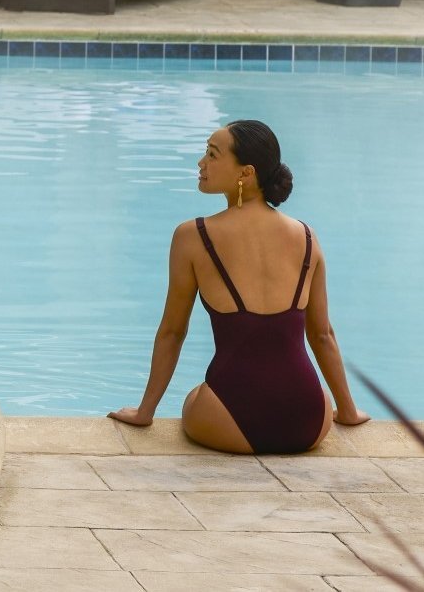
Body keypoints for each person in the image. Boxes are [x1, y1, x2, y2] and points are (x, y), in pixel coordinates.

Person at [109, 119, 369, 453]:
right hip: (308, 420)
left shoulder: (192, 236)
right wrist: (346, 411)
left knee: (194, 398)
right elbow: (322, 335)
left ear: (245, 173)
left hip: (230, 418)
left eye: (213, 155)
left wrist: (145, 412)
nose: (201, 163)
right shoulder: (306, 236)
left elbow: (173, 331)